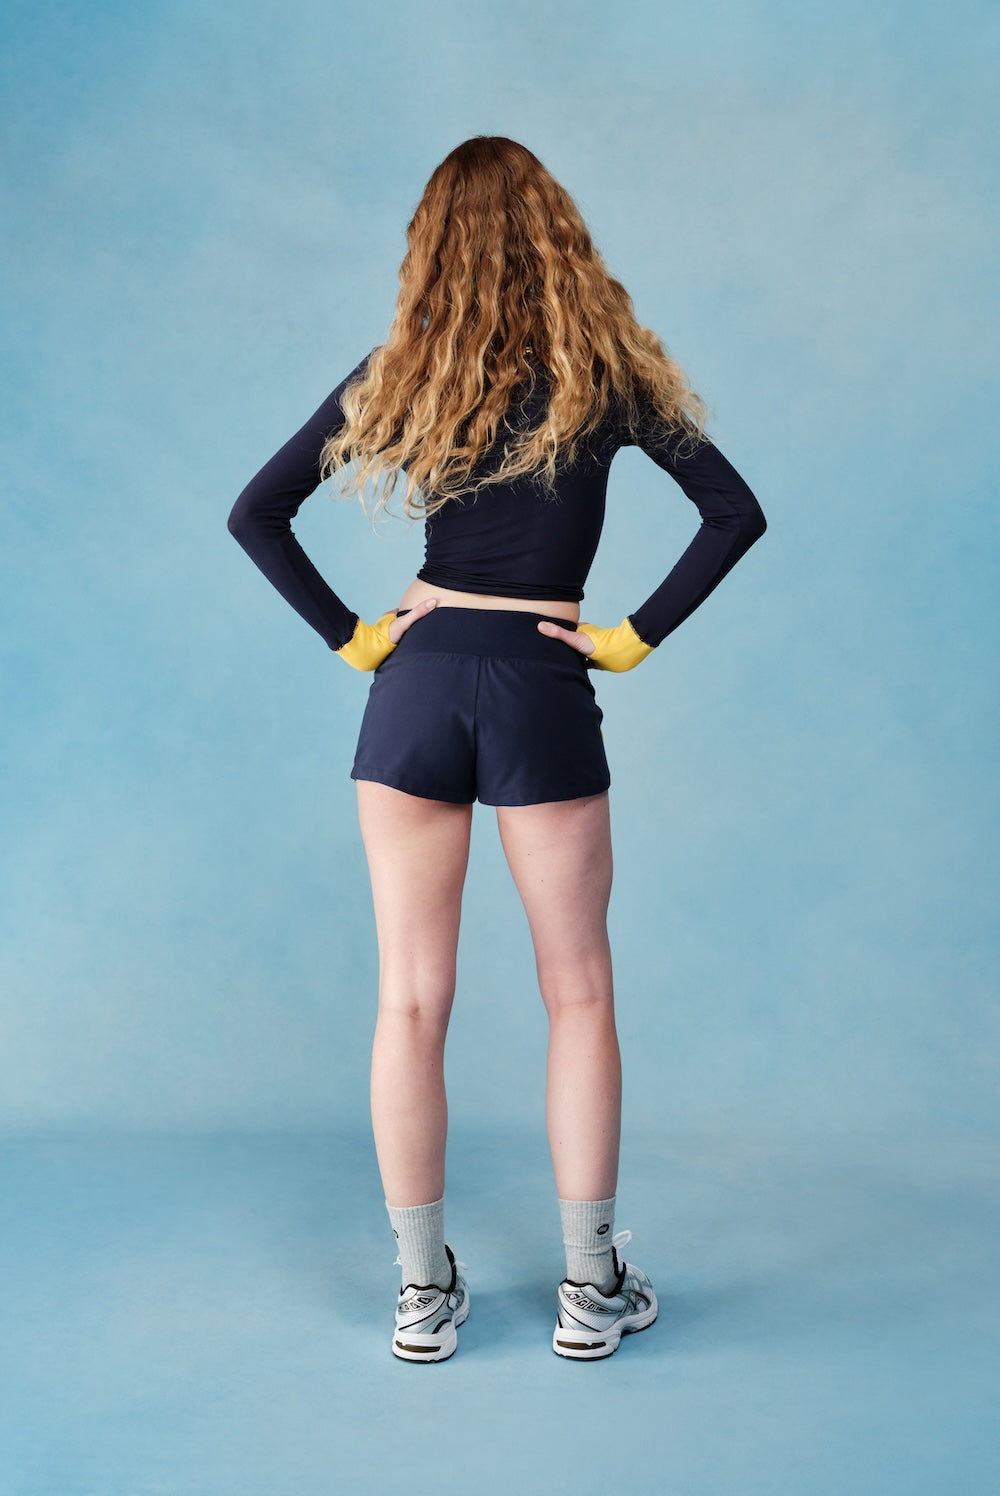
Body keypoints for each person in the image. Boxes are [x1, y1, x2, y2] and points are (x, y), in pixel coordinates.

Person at [227, 135, 766, 1363]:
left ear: (432, 252)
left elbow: (255, 511)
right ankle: (590, 1288)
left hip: (414, 687)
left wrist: (359, 641)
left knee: (410, 1001)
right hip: (538, 686)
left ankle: (422, 1295)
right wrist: (628, 640)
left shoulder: (402, 372)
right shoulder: (607, 376)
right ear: (558, 238)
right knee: (576, 989)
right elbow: (736, 513)